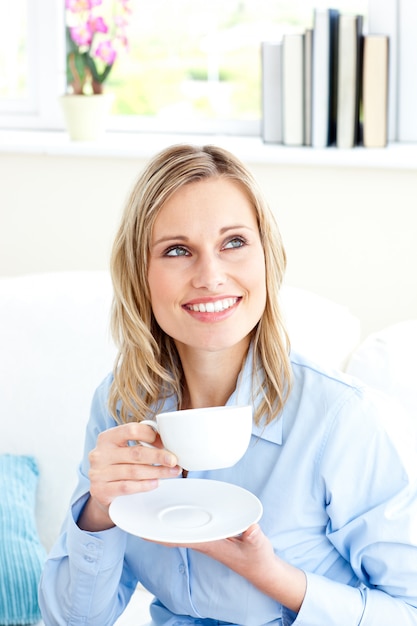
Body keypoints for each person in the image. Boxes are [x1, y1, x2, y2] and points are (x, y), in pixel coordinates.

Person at [39, 144, 417, 625]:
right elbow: (70, 621)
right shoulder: (121, 405)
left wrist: (271, 574)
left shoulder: (341, 418)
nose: (211, 276)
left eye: (233, 242)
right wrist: (97, 510)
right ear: (141, 273)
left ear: (267, 257)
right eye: (177, 250)